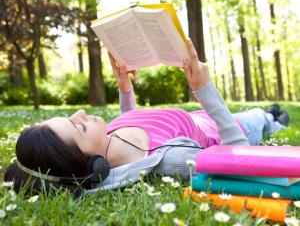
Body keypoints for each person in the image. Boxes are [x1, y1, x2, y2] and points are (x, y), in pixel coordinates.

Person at [4, 39, 289, 195]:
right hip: (227, 124)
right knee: (258, 117)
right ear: (94, 164)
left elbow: (130, 122)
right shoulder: (168, 160)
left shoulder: (106, 138)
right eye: (77, 126)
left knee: (260, 114)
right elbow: (240, 157)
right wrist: (205, 90)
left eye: (70, 116)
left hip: (200, 116)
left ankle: (272, 116)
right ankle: (274, 120)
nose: (81, 113)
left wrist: (125, 90)